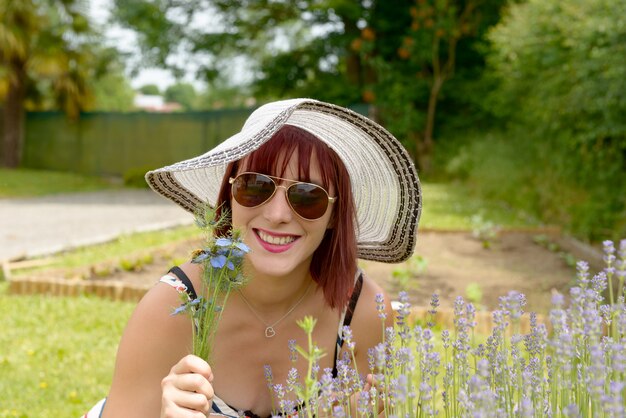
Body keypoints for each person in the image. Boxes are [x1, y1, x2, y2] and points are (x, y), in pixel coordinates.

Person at [86, 98, 421, 418]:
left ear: (335, 214)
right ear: (230, 198)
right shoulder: (175, 307)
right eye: (255, 187)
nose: (277, 215)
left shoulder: (362, 312)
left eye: (307, 196)